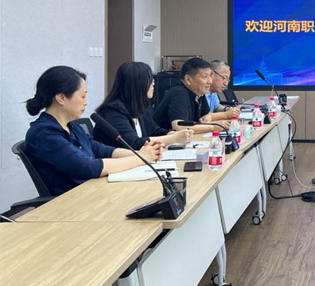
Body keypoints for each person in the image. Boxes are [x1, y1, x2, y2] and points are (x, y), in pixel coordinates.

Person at [24, 66, 162, 196]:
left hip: (93, 191)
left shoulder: (72, 127)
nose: (86, 102)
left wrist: (142, 153)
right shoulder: (45, 134)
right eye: (82, 96)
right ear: (61, 98)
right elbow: (90, 167)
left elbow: (103, 150)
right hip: (73, 201)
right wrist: (142, 158)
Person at [95, 62, 193, 150]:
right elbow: (133, 144)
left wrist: (171, 133)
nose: (153, 83)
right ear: (137, 84)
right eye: (149, 80)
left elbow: (154, 131)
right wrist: (174, 138)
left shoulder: (140, 106)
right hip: (118, 162)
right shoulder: (113, 111)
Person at [153, 57, 225, 131]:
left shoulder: (199, 93)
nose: (210, 81)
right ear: (188, 79)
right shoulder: (179, 93)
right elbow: (179, 126)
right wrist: (212, 127)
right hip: (164, 137)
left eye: (210, 76)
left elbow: (206, 114)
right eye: (205, 77)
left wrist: (208, 117)